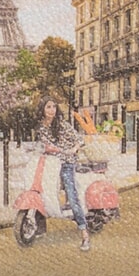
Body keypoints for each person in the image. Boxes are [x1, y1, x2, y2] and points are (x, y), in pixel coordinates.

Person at [36, 96, 90, 251]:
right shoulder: (41, 127)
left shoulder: (62, 124)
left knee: (72, 196)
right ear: (42, 109)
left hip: (66, 162)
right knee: (39, 190)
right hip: (50, 163)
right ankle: (39, 227)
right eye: (48, 107)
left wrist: (73, 149)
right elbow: (43, 146)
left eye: (54, 107)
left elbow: (79, 139)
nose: (51, 110)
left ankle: (84, 233)